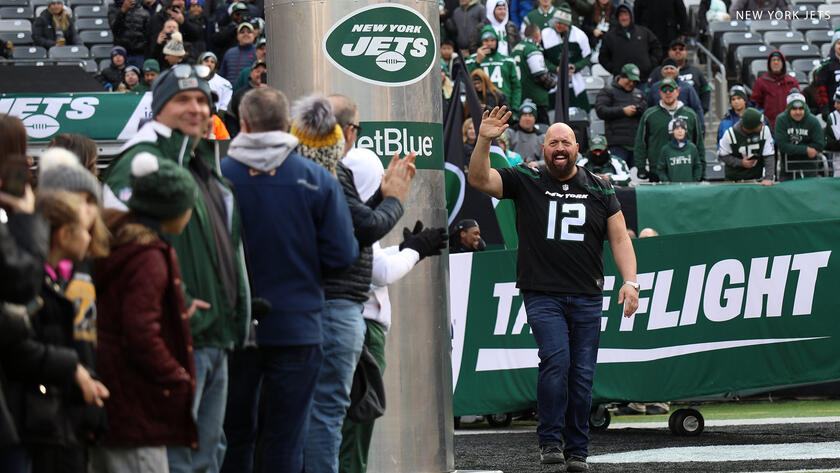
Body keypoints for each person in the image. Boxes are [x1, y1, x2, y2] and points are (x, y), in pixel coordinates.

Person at [467, 106, 639, 472]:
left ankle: (577, 450)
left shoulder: (600, 186)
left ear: (577, 147)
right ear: (542, 148)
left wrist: (630, 281)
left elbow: (621, 238)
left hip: (588, 295)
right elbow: (480, 180)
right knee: (556, 362)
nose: (559, 147)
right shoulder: (527, 178)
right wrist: (484, 139)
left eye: (566, 142)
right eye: (553, 142)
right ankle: (550, 442)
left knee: (582, 375)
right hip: (543, 292)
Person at [103, 64, 251, 473]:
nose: (196, 108)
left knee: (207, 456)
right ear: (159, 106)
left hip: (215, 338)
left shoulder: (204, 168)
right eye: (183, 99)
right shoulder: (139, 165)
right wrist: (175, 304)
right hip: (175, 340)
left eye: (202, 100)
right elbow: (111, 250)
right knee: (177, 460)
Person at [217, 87, 358, 473]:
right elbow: (343, 256)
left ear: (243, 124)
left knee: (234, 436)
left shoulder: (217, 177)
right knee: (285, 440)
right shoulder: (317, 179)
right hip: (298, 328)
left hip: (233, 329)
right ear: (286, 126)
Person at [295, 94, 414, 473]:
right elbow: (363, 229)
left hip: (324, 307)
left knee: (325, 415)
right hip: (342, 309)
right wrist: (394, 202)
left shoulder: (316, 170)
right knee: (336, 416)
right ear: (348, 132)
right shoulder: (330, 171)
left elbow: (355, 218)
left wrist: (382, 199)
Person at [337, 118, 448, 473]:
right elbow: (375, 271)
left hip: (353, 322)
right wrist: (414, 252)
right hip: (360, 324)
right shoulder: (349, 208)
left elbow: (370, 256)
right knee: (354, 426)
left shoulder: (336, 203)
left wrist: (407, 246)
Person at [89, 155, 199, 473]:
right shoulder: (148, 258)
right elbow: (141, 330)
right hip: (137, 409)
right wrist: (175, 375)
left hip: (113, 399)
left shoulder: (118, 244)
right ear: (170, 210)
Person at [26, 189, 110, 473]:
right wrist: (73, 369)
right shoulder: (34, 284)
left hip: (64, 420)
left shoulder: (64, 280)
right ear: (63, 235)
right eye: (84, 231)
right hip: (44, 423)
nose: (89, 239)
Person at [634, 77, 704, 182]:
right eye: (664, 90)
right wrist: (641, 167)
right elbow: (641, 143)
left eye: (671, 90)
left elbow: (699, 143)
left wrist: (701, 169)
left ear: (677, 91)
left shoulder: (690, 114)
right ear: (659, 93)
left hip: (685, 172)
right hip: (657, 171)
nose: (668, 93)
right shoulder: (649, 115)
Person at [594, 63, 647, 169]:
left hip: (635, 144)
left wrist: (639, 109)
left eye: (635, 81)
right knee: (617, 175)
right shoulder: (607, 91)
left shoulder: (639, 93)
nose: (632, 83)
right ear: (622, 77)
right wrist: (623, 111)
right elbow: (601, 110)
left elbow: (646, 111)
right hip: (617, 144)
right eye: (629, 80)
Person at [542, 7, 592, 112]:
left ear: (568, 24)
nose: (558, 25)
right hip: (554, 80)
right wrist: (555, 68)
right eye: (557, 22)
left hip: (574, 80)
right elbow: (542, 58)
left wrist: (576, 67)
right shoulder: (546, 34)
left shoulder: (579, 35)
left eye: (562, 23)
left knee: (579, 111)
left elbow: (587, 56)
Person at [598, 2, 661, 83]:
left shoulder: (644, 32)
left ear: (631, 16)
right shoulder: (610, 36)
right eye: (621, 15)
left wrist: (649, 65)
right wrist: (615, 69)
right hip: (621, 82)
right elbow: (603, 57)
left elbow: (657, 48)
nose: (624, 18)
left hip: (643, 80)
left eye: (626, 14)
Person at [647, 38, 711, 116]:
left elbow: (706, 90)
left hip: (688, 117)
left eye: (681, 49)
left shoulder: (696, 72)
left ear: (686, 52)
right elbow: (648, 94)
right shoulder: (657, 72)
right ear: (669, 52)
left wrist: (702, 109)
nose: (678, 51)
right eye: (674, 49)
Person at [466, 26, 521, 113]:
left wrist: (514, 107)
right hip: (480, 106)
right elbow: (467, 81)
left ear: (497, 41)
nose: (489, 43)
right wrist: (477, 62)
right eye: (486, 40)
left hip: (503, 106)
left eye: (492, 40)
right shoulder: (471, 60)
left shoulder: (507, 60)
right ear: (481, 42)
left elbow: (516, 86)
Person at [510, 24, 556, 125]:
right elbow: (540, 75)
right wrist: (553, 83)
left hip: (519, 98)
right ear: (538, 35)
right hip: (535, 98)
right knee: (542, 130)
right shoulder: (532, 49)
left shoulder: (515, 49)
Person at [775, 90, 825, 181]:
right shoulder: (781, 120)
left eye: (801, 109)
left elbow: (820, 144)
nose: (798, 112)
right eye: (794, 109)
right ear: (789, 109)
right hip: (788, 169)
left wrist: (793, 148)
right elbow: (782, 146)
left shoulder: (812, 120)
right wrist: (806, 150)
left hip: (810, 168)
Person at [718, 107, 775, 185]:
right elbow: (722, 156)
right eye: (760, 123)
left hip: (756, 178)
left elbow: (769, 155)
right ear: (751, 126)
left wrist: (768, 177)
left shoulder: (765, 131)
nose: (763, 124)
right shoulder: (730, 135)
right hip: (734, 180)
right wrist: (741, 162)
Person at [645, 58, 704, 131]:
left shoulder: (687, 87)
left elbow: (697, 108)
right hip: (660, 128)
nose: (669, 71)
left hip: (683, 129)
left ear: (677, 71)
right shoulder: (654, 88)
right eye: (666, 68)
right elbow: (648, 107)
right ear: (662, 72)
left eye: (672, 68)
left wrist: (701, 128)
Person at [750, 50, 800, 130]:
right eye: (773, 60)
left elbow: (800, 102)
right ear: (769, 63)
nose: (776, 62)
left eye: (778, 60)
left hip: (790, 125)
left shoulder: (792, 82)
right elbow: (755, 104)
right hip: (769, 125)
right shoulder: (761, 82)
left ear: (783, 63)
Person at [225, 60, 265, 137]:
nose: (260, 75)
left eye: (263, 72)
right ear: (251, 74)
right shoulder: (239, 94)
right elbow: (230, 117)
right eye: (257, 71)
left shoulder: (274, 93)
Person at [656, 118, 703, 183]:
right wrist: (666, 182)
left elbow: (697, 166)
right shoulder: (666, 149)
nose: (680, 131)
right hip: (672, 189)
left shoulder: (692, 148)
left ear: (685, 131)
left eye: (682, 128)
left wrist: (694, 181)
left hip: (689, 188)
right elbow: (661, 169)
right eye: (677, 129)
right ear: (672, 131)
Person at [109, 0, 150, 67]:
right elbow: (114, 28)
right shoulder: (113, 8)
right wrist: (123, 10)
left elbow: (148, 35)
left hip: (139, 54)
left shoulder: (144, 10)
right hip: (121, 53)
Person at [505, 99, 546, 164]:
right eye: (524, 115)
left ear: (535, 119)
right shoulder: (509, 133)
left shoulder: (542, 137)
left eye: (530, 115)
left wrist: (537, 164)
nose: (527, 118)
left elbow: (546, 161)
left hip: (534, 171)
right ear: (519, 118)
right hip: (512, 168)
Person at [814, 30, 840, 119]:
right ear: (834, 46)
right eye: (839, 43)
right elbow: (821, 90)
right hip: (833, 112)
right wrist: (825, 108)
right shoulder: (826, 66)